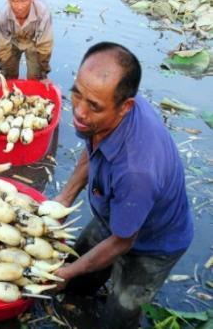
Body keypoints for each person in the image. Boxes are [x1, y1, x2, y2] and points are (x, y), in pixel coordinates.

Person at [52, 42, 193, 328]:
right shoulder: (102, 113)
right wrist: (64, 199)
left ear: (125, 107)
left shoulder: (136, 170)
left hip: (154, 243)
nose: (78, 112)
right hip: (116, 211)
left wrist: (67, 272)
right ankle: (76, 298)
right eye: (76, 93)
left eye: (93, 106)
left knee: (119, 314)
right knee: (77, 282)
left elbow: (123, 240)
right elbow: (93, 149)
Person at [0, 0, 54, 81]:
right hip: (12, 42)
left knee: (35, 78)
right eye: (14, 1)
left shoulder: (43, 13)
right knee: (7, 77)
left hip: (34, 43)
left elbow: (45, 46)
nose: (19, 7)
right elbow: (2, 47)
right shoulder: (3, 15)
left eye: (24, 0)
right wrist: (2, 70)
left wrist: (43, 72)